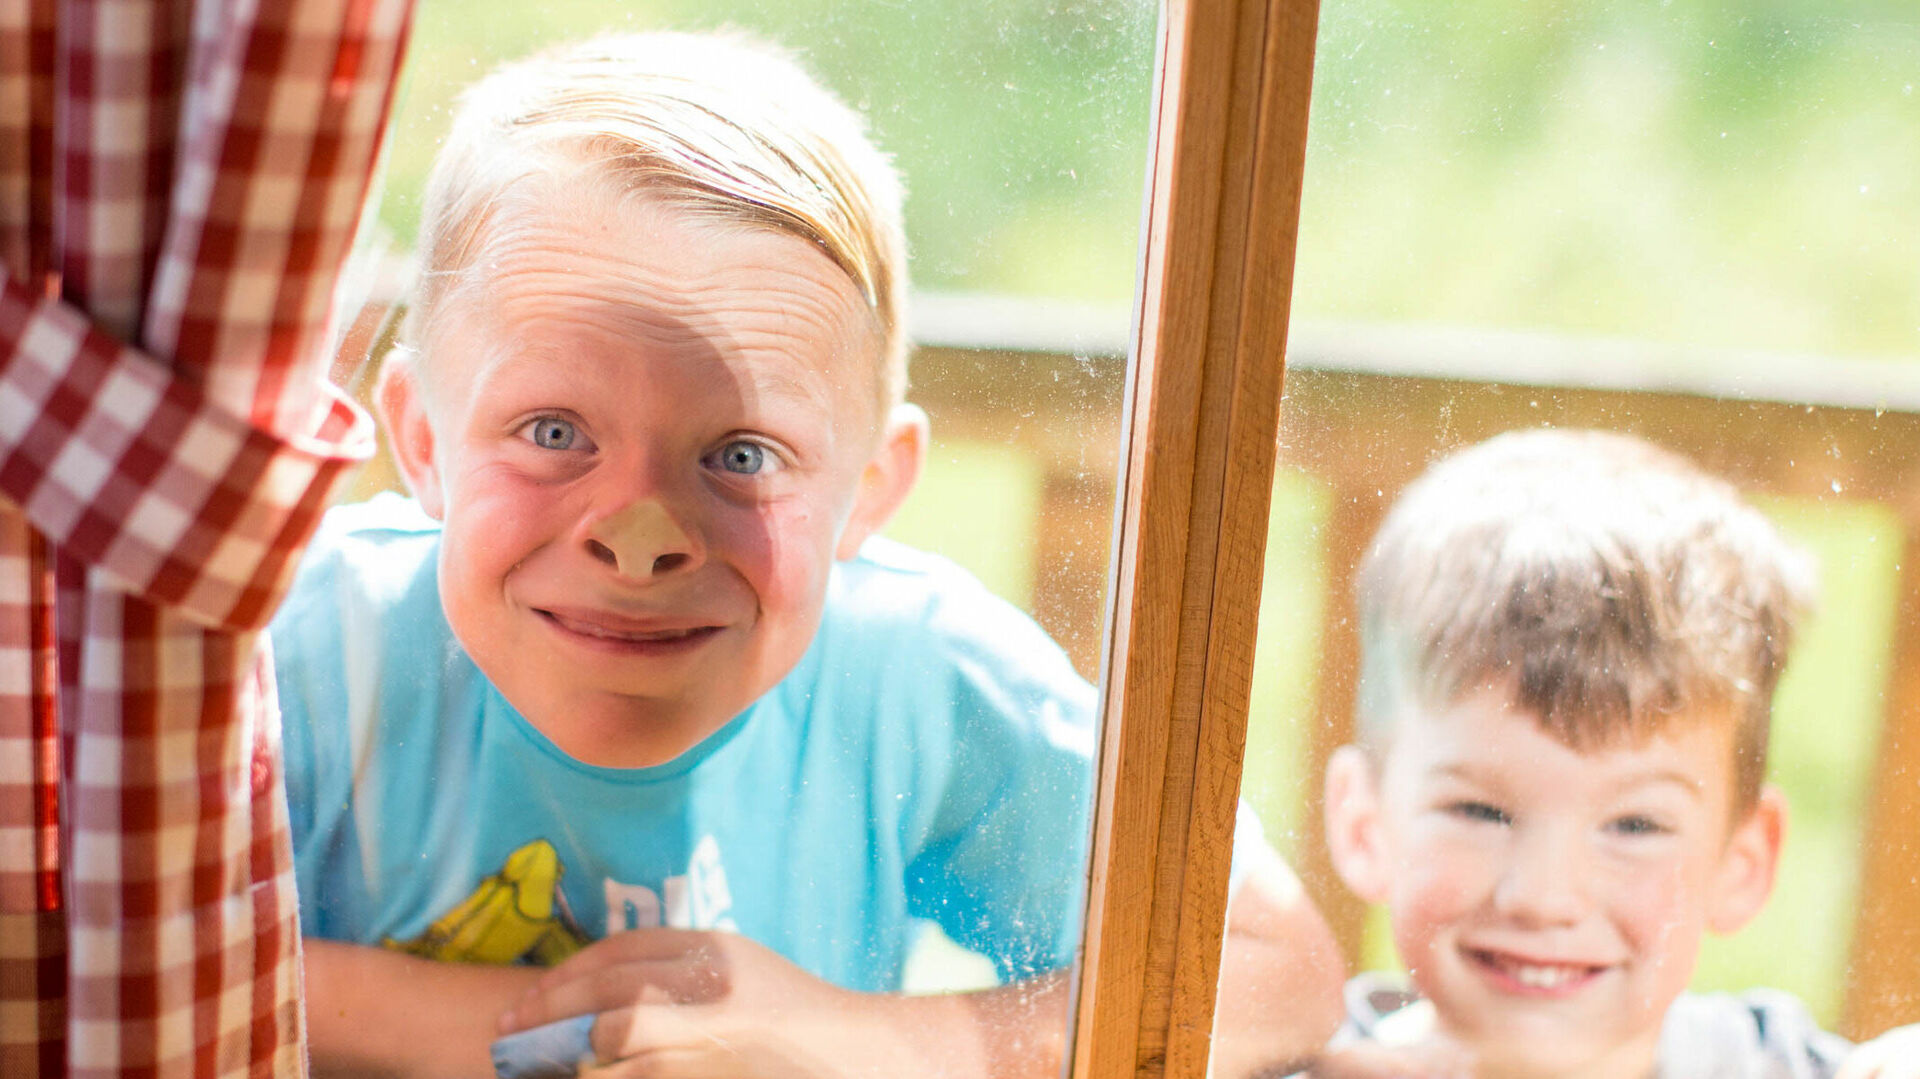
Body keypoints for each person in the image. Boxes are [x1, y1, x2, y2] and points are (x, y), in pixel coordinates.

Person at [272, 31, 1344, 1078]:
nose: (640, 537)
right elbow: (101, 945)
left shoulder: (909, 672)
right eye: (555, 433)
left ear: (872, 486)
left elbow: (1279, 971)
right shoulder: (307, 647)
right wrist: (538, 1030)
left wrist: (858, 1043)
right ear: (419, 440)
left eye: (741, 454)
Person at [1310, 427, 1916, 1078]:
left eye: (1635, 824)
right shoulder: (1300, 1061)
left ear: (1742, 861)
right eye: (1479, 811)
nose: (1544, 896)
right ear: (1364, 824)